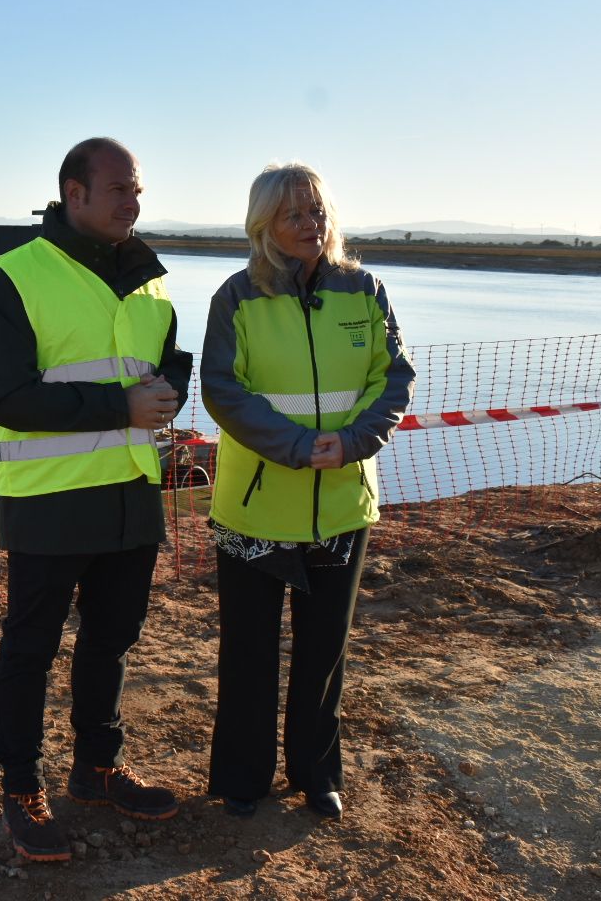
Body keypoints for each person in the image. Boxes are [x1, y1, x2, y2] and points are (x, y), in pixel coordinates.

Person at [0, 137, 192, 863]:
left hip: (130, 495)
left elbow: (165, 368)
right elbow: (5, 397)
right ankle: (21, 786)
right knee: (30, 648)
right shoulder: (15, 279)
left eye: (138, 189)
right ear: (74, 193)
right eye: (120, 188)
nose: (134, 201)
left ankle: (97, 768)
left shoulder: (149, 281)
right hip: (49, 500)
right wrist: (121, 406)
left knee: (112, 641)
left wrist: (166, 395)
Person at [200, 163, 414, 820]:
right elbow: (222, 390)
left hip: (344, 502)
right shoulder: (236, 297)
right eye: (294, 214)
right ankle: (242, 780)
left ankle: (317, 775)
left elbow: (394, 376)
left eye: (317, 211)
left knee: (324, 652)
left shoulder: (366, 289)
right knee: (249, 651)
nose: (310, 224)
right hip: (256, 506)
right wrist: (297, 447)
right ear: (264, 224)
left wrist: (353, 442)